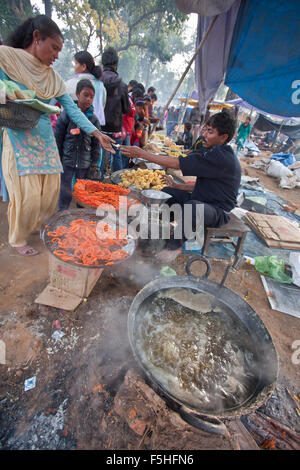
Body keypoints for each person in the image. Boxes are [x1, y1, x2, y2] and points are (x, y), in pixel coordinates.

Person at [0, 15, 114, 256]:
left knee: (51, 191)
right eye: (54, 48)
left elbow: (72, 109)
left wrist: (97, 134)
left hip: (44, 135)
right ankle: (18, 238)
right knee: (27, 193)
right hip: (18, 134)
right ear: (36, 38)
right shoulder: (6, 58)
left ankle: (36, 226)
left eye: (60, 51)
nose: (57, 55)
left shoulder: (52, 78)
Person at [120, 111, 240, 262]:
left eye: (210, 132)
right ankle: (161, 232)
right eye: (205, 129)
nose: (204, 135)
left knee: (193, 207)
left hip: (217, 211)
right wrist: (178, 187)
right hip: (202, 199)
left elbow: (178, 163)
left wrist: (143, 154)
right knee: (167, 193)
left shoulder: (222, 157)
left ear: (223, 137)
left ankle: (174, 247)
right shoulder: (215, 152)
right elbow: (208, 185)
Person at [55, 79, 101, 210]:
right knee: (64, 190)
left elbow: (96, 145)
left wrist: (94, 163)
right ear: (77, 94)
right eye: (85, 95)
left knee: (82, 191)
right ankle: (62, 212)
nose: (88, 99)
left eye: (91, 97)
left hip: (84, 163)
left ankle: (81, 214)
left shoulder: (93, 120)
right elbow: (58, 138)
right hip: (67, 161)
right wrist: (58, 159)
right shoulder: (66, 115)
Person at [100, 46, 130, 174]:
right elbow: (126, 109)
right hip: (115, 128)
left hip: (98, 128)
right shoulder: (122, 84)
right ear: (116, 64)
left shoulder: (96, 81)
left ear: (102, 63)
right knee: (116, 155)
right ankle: (117, 185)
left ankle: (97, 183)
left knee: (99, 157)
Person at [65, 50, 106, 127]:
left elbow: (64, 110)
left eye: (76, 63)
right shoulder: (101, 86)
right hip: (96, 129)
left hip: (72, 129)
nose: (74, 67)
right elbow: (102, 106)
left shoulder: (69, 84)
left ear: (83, 66)